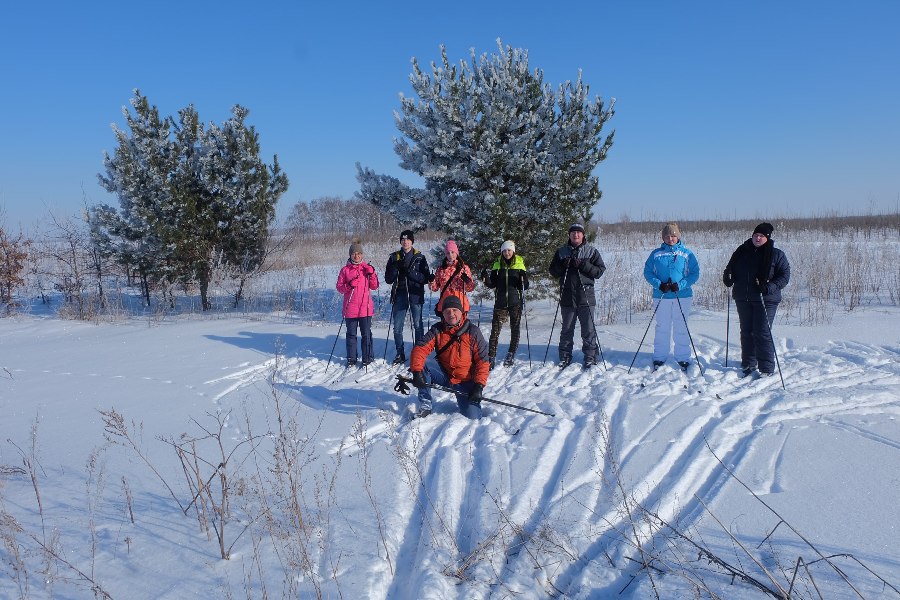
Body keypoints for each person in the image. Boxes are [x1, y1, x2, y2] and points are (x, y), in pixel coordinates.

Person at [722, 222, 791, 377]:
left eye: (762, 236)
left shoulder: (776, 254)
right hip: (743, 297)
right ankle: (748, 363)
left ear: (767, 238)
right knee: (747, 331)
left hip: (765, 299)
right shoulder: (741, 251)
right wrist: (728, 277)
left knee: (762, 331)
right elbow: (730, 269)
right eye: (756, 235)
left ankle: (766, 368)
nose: (758, 238)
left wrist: (768, 287)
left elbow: (784, 277)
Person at [409, 295, 490, 419]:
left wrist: (479, 386)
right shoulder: (437, 330)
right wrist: (416, 372)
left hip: (465, 381)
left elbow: (483, 361)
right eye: (447, 311)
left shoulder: (473, 332)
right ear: (443, 314)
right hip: (445, 375)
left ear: (461, 312)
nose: (451, 314)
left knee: (473, 417)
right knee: (423, 363)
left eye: (454, 310)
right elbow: (420, 348)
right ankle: (425, 405)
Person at [642, 222, 701, 371]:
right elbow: (648, 272)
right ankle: (660, 357)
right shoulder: (656, 254)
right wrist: (659, 284)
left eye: (673, 235)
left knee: (681, 326)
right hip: (662, 295)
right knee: (662, 326)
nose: (670, 239)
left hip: (682, 296)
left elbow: (694, 274)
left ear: (678, 236)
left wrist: (680, 285)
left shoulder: (687, 253)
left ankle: (682, 357)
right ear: (663, 238)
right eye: (667, 236)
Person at [548, 223, 607, 369]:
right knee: (567, 329)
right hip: (568, 296)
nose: (576, 235)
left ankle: (590, 356)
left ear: (583, 235)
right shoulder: (561, 252)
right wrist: (563, 265)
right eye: (573, 233)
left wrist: (583, 265)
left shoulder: (591, 251)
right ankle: (565, 356)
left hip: (586, 295)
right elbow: (553, 272)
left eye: (579, 233)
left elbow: (599, 272)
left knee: (588, 329)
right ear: (569, 235)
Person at [384, 230, 433, 365]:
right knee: (397, 327)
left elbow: (425, 278)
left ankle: (418, 354)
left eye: (408, 240)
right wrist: (395, 268)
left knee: (418, 325)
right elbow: (388, 279)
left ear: (412, 242)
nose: (405, 242)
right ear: (400, 241)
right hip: (400, 295)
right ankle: (400, 353)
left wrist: (410, 273)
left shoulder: (420, 257)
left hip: (415, 295)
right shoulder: (394, 257)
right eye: (403, 240)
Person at [483, 240, 529, 368]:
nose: (507, 253)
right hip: (501, 302)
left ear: (513, 251)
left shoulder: (519, 264)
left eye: (509, 250)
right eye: (504, 250)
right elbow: (492, 284)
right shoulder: (497, 265)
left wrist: (523, 279)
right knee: (495, 330)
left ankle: (511, 353)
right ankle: (491, 356)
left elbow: (525, 286)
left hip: (515, 302)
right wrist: (485, 279)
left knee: (515, 329)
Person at [336, 241, 379, 367]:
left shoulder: (367, 269)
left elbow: (375, 286)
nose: (357, 256)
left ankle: (367, 357)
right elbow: (339, 288)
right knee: (351, 335)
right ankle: (351, 358)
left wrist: (372, 274)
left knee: (366, 334)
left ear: (362, 255)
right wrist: (349, 285)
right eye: (354, 253)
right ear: (350, 255)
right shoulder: (345, 270)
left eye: (359, 253)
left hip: (365, 308)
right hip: (350, 308)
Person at [430, 240, 475, 314]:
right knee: (445, 325)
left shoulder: (464, 268)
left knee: (461, 325)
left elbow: (470, 288)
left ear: (457, 253)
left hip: (460, 302)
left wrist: (467, 281)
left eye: (452, 252)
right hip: (445, 301)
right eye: (448, 253)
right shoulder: (441, 269)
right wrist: (431, 281)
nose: (450, 255)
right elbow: (435, 288)